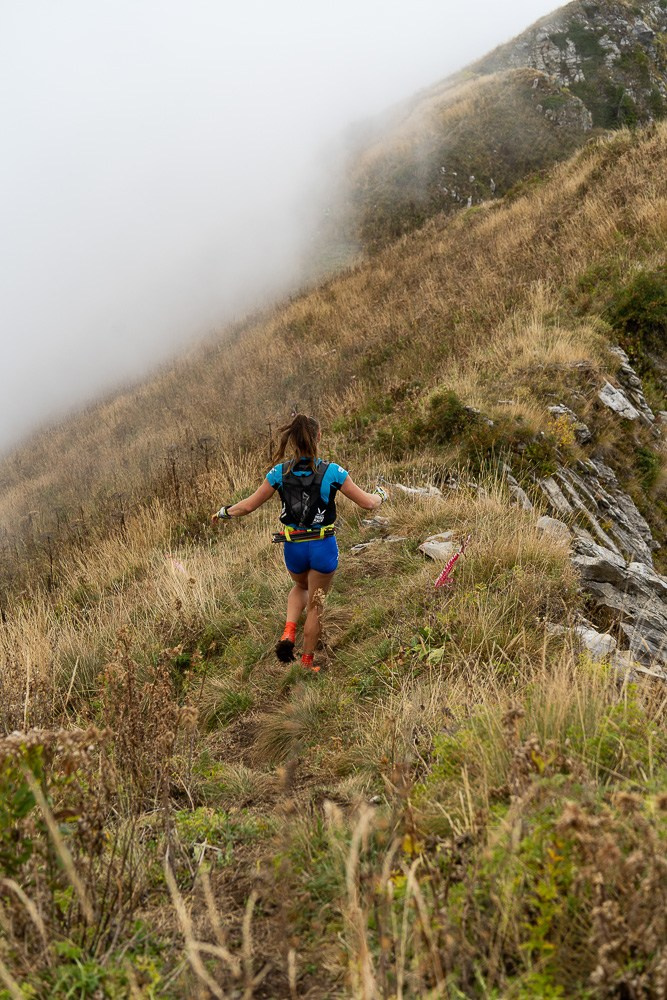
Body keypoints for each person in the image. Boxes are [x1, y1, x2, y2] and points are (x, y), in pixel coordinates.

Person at [211, 414, 388, 672]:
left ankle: (289, 631)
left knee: (300, 585)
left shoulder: (278, 473)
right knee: (316, 605)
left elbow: (248, 505)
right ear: (318, 437)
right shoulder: (333, 472)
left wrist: (223, 512)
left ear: (292, 441)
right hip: (322, 547)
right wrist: (382, 495)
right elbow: (368, 503)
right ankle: (306, 664)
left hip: (292, 546)